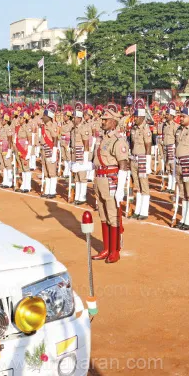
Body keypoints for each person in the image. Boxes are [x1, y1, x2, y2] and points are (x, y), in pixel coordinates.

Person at [91, 107, 129, 263]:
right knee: (103, 215)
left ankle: (114, 251)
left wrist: (120, 189)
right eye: (103, 119)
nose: (103, 122)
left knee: (113, 215)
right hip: (99, 179)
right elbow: (96, 161)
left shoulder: (118, 141)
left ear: (114, 122)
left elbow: (123, 165)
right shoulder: (102, 139)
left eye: (106, 120)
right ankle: (106, 248)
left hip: (110, 180)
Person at [129, 99, 152, 220]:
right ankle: (138, 209)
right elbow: (132, 144)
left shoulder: (145, 129)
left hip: (142, 159)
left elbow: (148, 146)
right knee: (136, 186)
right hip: (134, 159)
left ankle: (144, 211)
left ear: (142, 117)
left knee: (144, 185)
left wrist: (148, 162)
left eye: (137, 116)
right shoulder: (133, 128)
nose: (135, 118)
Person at [71, 104, 91, 204]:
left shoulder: (83, 128)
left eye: (74, 117)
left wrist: (86, 159)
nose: (73, 119)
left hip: (81, 152)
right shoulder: (74, 129)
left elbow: (86, 144)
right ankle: (77, 196)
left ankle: (82, 197)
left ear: (79, 118)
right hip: (75, 152)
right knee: (77, 176)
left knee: (82, 176)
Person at [40, 105, 59, 197]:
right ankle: (47, 191)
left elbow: (55, 138)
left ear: (48, 117)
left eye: (44, 116)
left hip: (50, 150)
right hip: (44, 149)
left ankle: (52, 191)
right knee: (46, 172)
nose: (42, 118)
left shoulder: (52, 125)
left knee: (51, 172)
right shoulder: (44, 126)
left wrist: (54, 152)